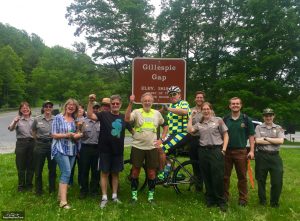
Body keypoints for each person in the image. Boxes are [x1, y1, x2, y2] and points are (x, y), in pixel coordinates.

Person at [87, 94, 132, 209]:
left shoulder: (124, 117)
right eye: (113, 103)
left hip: (118, 151)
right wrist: (90, 102)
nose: (115, 105)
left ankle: (114, 196)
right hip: (104, 151)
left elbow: (133, 131)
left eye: (117, 103)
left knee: (115, 174)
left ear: (121, 104)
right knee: (104, 173)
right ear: (110, 105)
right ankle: (104, 197)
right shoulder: (103, 114)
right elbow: (90, 115)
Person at [187, 102, 228, 212]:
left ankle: (220, 201)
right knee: (206, 175)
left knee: (218, 176)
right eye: (204, 109)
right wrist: (191, 116)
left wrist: (223, 149)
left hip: (216, 150)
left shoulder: (218, 120)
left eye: (207, 109)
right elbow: (190, 130)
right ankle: (210, 199)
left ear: (211, 110)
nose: (205, 111)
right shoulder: (199, 123)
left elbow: (225, 134)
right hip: (203, 151)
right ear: (201, 111)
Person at [125, 93, 164, 203]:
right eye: (145, 101)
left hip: (152, 147)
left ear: (152, 102)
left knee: (151, 173)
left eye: (149, 100)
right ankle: (134, 197)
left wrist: (162, 139)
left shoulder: (157, 113)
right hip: (138, 147)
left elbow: (165, 125)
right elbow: (127, 119)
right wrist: (130, 103)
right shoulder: (136, 112)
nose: (147, 102)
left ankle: (151, 197)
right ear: (141, 102)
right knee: (135, 172)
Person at [223, 97, 255, 206]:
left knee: (242, 177)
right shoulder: (225, 119)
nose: (235, 105)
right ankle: (224, 197)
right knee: (225, 176)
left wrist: (251, 150)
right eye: (233, 104)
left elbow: (251, 135)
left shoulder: (246, 119)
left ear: (240, 105)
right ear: (229, 106)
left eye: (237, 104)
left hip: (241, 151)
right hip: (226, 152)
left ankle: (243, 199)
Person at [51, 98, 83, 209]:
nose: (71, 106)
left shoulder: (74, 119)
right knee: (67, 172)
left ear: (76, 108)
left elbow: (76, 135)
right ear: (65, 106)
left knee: (66, 173)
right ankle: (63, 202)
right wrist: (67, 134)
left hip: (72, 150)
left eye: (74, 105)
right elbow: (54, 135)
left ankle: (60, 196)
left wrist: (77, 135)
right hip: (60, 149)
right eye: (69, 104)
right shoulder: (58, 118)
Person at [156, 86, 191, 180]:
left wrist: (168, 109)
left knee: (162, 149)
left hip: (182, 134)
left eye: (174, 94)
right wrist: (150, 112)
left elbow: (184, 112)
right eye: (170, 95)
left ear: (179, 95)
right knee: (157, 149)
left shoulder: (183, 103)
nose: (172, 96)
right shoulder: (171, 106)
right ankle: (176, 173)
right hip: (172, 134)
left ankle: (162, 174)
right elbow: (159, 112)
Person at [254, 108, 284, 207]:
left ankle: (274, 203)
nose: (268, 117)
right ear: (263, 117)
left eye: (270, 115)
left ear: (273, 116)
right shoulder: (258, 127)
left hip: (275, 156)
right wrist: (273, 140)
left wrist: (266, 138)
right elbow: (257, 141)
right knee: (261, 180)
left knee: (277, 181)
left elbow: (280, 141)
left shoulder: (279, 127)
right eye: (266, 115)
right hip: (261, 156)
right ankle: (262, 201)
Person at [8, 102, 34, 192]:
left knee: (31, 165)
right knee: (21, 166)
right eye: (23, 108)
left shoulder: (34, 120)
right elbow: (11, 129)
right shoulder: (17, 119)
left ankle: (29, 184)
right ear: (20, 110)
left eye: (27, 107)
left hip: (32, 144)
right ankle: (21, 186)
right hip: (21, 144)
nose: (25, 109)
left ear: (29, 109)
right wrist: (15, 122)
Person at [32, 100, 56, 195]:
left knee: (52, 169)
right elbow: (33, 131)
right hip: (40, 145)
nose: (48, 108)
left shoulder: (56, 119)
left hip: (52, 145)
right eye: (46, 106)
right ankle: (38, 190)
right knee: (38, 169)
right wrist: (37, 141)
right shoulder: (37, 119)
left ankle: (52, 189)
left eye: (50, 106)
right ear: (43, 108)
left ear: (52, 108)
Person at [79, 102, 101, 198]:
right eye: (93, 108)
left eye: (97, 108)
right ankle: (83, 191)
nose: (95, 110)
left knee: (96, 171)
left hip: (97, 149)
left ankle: (94, 191)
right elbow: (78, 134)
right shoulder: (82, 121)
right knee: (84, 170)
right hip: (85, 148)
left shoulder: (102, 121)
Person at [189, 91, 206, 191]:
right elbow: (188, 124)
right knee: (195, 163)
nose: (199, 99)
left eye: (201, 97)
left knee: (203, 163)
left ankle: (205, 184)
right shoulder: (191, 110)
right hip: (193, 139)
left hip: (205, 139)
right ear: (195, 99)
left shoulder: (208, 110)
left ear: (203, 99)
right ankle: (198, 186)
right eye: (197, 97)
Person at [69, 104, 86, 186]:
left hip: (82, 147)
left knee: (81, 166)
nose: (79, 110)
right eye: (78, 109)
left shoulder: (86, 120)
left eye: (81, 109)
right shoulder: (71, 120)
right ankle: (69, 182)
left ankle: (81, 182)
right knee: (70, 166)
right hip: (72, 146)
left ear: (83, 111)